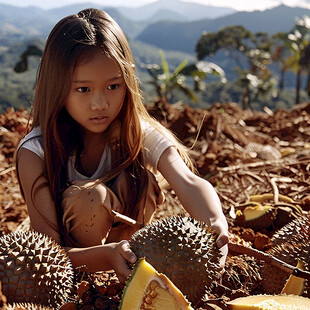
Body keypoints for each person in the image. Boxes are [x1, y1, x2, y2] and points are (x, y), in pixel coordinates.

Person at [16, 8, 229, 283]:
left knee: (141, 180)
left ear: (127, 82)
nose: (100, 104)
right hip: (72, 268)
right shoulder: (35, 151)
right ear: (57, 87)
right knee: (91, 199)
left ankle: (130, 269)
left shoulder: (134, 130)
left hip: (129, 255)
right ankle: (99, 278)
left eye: (113, 87)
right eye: (83, 89)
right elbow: (46, 256)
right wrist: (105, 256)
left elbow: (187, 180)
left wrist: (216, 224)